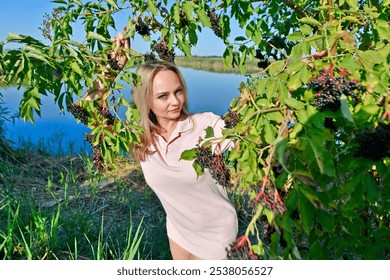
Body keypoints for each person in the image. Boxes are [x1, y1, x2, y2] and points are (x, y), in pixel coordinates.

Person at [85, 30, 238, 260]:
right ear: (146, 100)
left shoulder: (205, 125)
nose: (176, 101)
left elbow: (248, 139)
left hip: (217, 236)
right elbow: (88, 111)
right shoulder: (141, 137)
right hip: (178, 232)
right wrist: (111, 70)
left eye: (178, 91)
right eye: (163, 96)